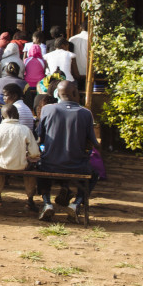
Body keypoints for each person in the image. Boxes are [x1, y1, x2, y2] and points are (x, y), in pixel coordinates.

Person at [36, 81, 98, 223]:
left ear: (57, 94)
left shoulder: (47, 110)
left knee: (40, 167)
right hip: (77, 165)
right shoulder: (85, 113)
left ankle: (47, 203)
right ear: (76, 94)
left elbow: (40, 137)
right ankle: (76, 203)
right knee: (93, 175)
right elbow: (93, 142)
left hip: (50, 164)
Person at [0, 104, 40, 209]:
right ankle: (29, 200)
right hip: (21, 165)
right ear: (18, 115)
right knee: (31, 171)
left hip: (1, 165)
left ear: (1, 117)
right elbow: (34, 153)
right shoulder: (25, 129)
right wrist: (27, 156)